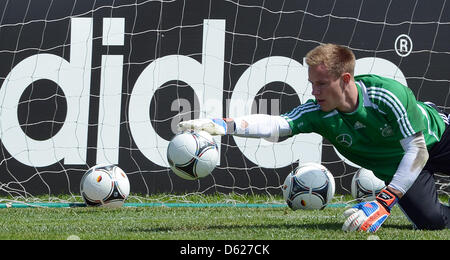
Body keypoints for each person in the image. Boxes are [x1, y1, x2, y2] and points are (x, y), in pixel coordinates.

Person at [178, 43, 450, 232]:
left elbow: (417, 150)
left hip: (436, 141)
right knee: (431, 222)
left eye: (321, 84)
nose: (314, 91)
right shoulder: (318, 112)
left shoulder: (386, 94)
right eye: (311, 84)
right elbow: (278, 124)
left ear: (345, 79)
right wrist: (222, 125)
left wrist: (383, 202)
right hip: (397, 167)